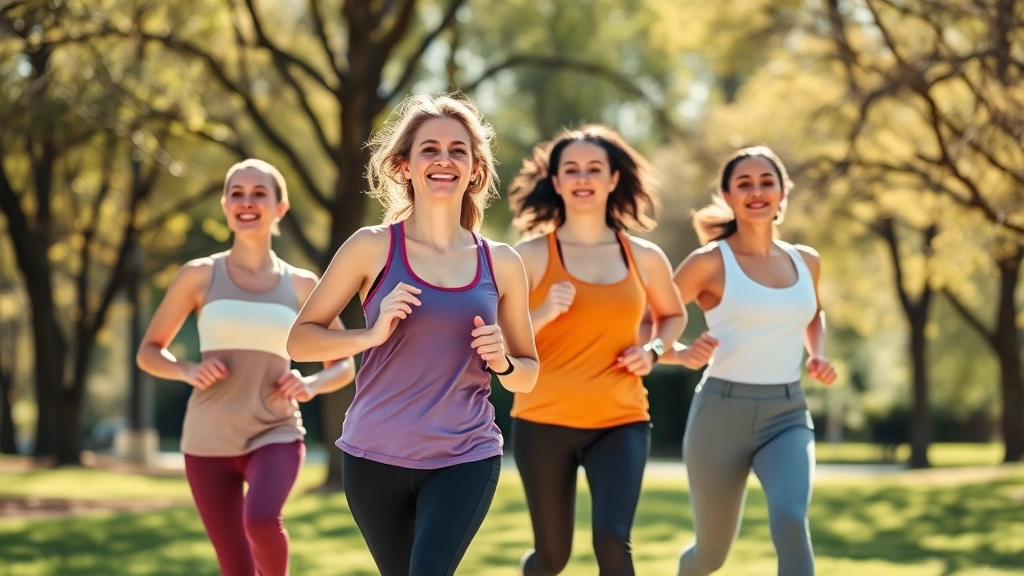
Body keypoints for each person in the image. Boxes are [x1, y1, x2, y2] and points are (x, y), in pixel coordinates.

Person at [286, 93, 539, 576]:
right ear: (403, 166)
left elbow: (527, 375)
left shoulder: (501, 262)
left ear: (475, 169)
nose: (444, 160)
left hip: (465, 454)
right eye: (430, 149)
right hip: (373, 457)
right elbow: (300, 340)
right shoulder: (371, 248)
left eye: (458, 150)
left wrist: (503, 360)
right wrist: (370, 334)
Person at [136, 158, 356, 576]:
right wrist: (184, 370)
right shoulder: (198, 276)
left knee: (261, 520)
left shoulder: (303, 284)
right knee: (235, 567)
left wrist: (309, 384)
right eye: (236, 193)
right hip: (207, 440)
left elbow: (344, 364)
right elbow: (149, 351)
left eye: (259, 193)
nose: (247, 201)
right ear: (224, 205)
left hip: (275, 429)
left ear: (280, 207)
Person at [507, 125, 687, 576]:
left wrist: (655, 349)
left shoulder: (644, 256)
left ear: (612, 179)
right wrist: (544, 312)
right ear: (556, 180)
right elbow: (498, 336)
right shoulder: (527, 257)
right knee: (552, 557)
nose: (582, 177)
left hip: (620, 419)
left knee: (611, 539)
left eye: (594, 168)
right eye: (571, 169)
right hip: (542, 418)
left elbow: (672, 316)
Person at [660, 146, 838, 576]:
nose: (756, 192)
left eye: (766, 182)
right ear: (727, 194)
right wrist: (680, 353)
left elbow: (813, 314)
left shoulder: (805, 260)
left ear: (782, 193)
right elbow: (650, 321)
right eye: (744, 184)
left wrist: (817, 354)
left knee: (792, 521)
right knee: (710, 555)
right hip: (720, 416)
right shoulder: (708, 263)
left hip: (787, 413)